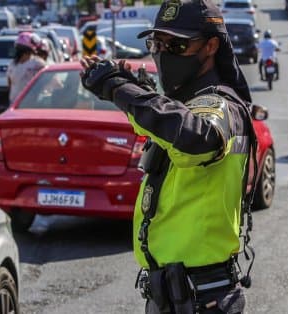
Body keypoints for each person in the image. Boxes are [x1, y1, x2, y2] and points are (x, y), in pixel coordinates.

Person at [80, 0, 258, 312]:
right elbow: (165, 123)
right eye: (157, 43)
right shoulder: (186, 104)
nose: (163, 53)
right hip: (172, 295)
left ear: (211, 46)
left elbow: (196, 137)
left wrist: (119, 89)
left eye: (177, 45)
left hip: (203, 297)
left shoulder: (220, 104)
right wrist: (141, 90)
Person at [7, 32, 46, 104]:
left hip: (31, 103)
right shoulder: (13, 64)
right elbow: (10, 83)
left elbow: (45, 82)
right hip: (15, 102)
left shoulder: (37, 63)